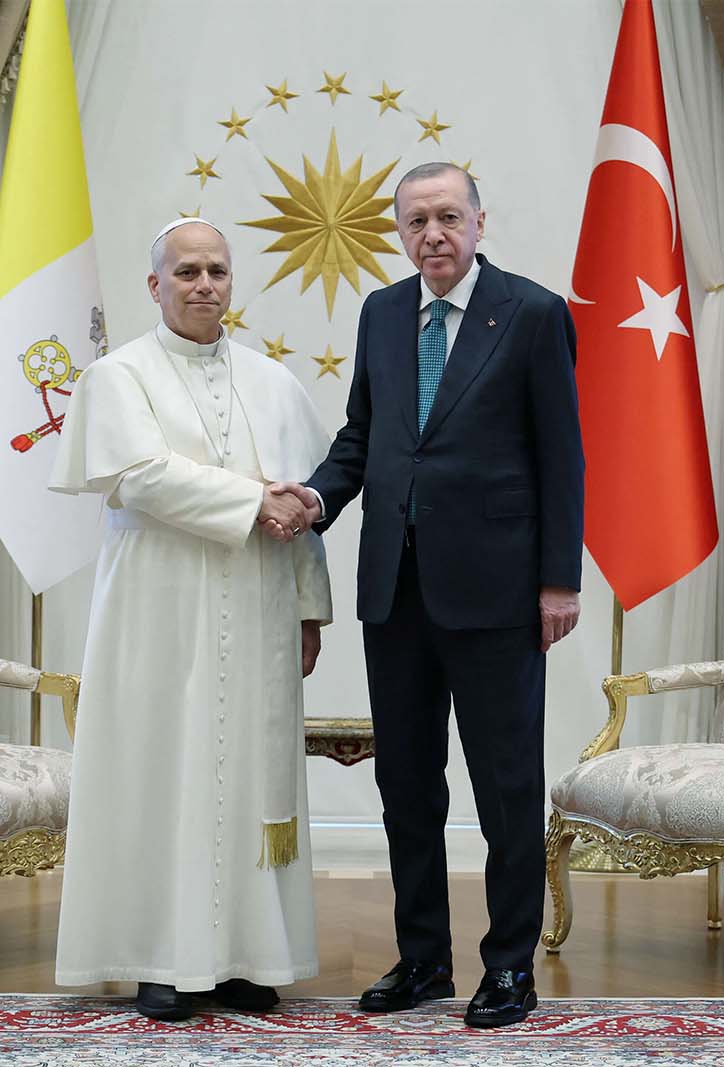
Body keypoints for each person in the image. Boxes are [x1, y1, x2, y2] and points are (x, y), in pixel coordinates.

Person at [272, 164, 584, 1028]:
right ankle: (423, 959)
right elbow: (364, 438)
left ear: (480, 221)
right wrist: (317, 497)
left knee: (505, 786)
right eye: (417, 221)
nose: (433, 234)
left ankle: (510, 966)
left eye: (449, 216)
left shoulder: (530, 313)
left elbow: (564, 455)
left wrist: (560, 579)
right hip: (396, 591)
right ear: (399, 231)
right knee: (409, 786)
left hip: (498, 594)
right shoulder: (380, 313)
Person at [48, 218, 331, 1022]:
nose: (204, 284)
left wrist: (310, 608)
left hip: (261, 600)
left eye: (216, 270)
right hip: (157, 607)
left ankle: (249, 955)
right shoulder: (117, 376)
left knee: (250, 774)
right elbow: (139, 476)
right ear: (155, 285)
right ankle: (160, 956)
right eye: (187, 272)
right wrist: (254, 500)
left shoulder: (276, 383)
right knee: (158, 771)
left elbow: (305, 500)